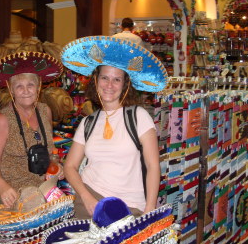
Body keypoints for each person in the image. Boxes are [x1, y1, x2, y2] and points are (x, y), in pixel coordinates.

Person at [61, 35, 168, 219]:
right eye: (104, 78)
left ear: (125, 85)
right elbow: (70, 166)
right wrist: (86, 197)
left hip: (130, 207)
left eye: (117, 79)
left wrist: (149, 208)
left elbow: (152, 166)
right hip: (88, 202)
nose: (109, 85)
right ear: (96, 81)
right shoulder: (88, 122)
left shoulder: (139, 117)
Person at [0, 51, 64, 208]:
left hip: (39, 193)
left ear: (38, 87)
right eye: (19, 86)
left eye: (30, 85)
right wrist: (2, 186)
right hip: (8, 196)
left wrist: (57, 166)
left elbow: (49, 148)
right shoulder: (3, 119)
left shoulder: (45, 110)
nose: (26, 91)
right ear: (11, 90)